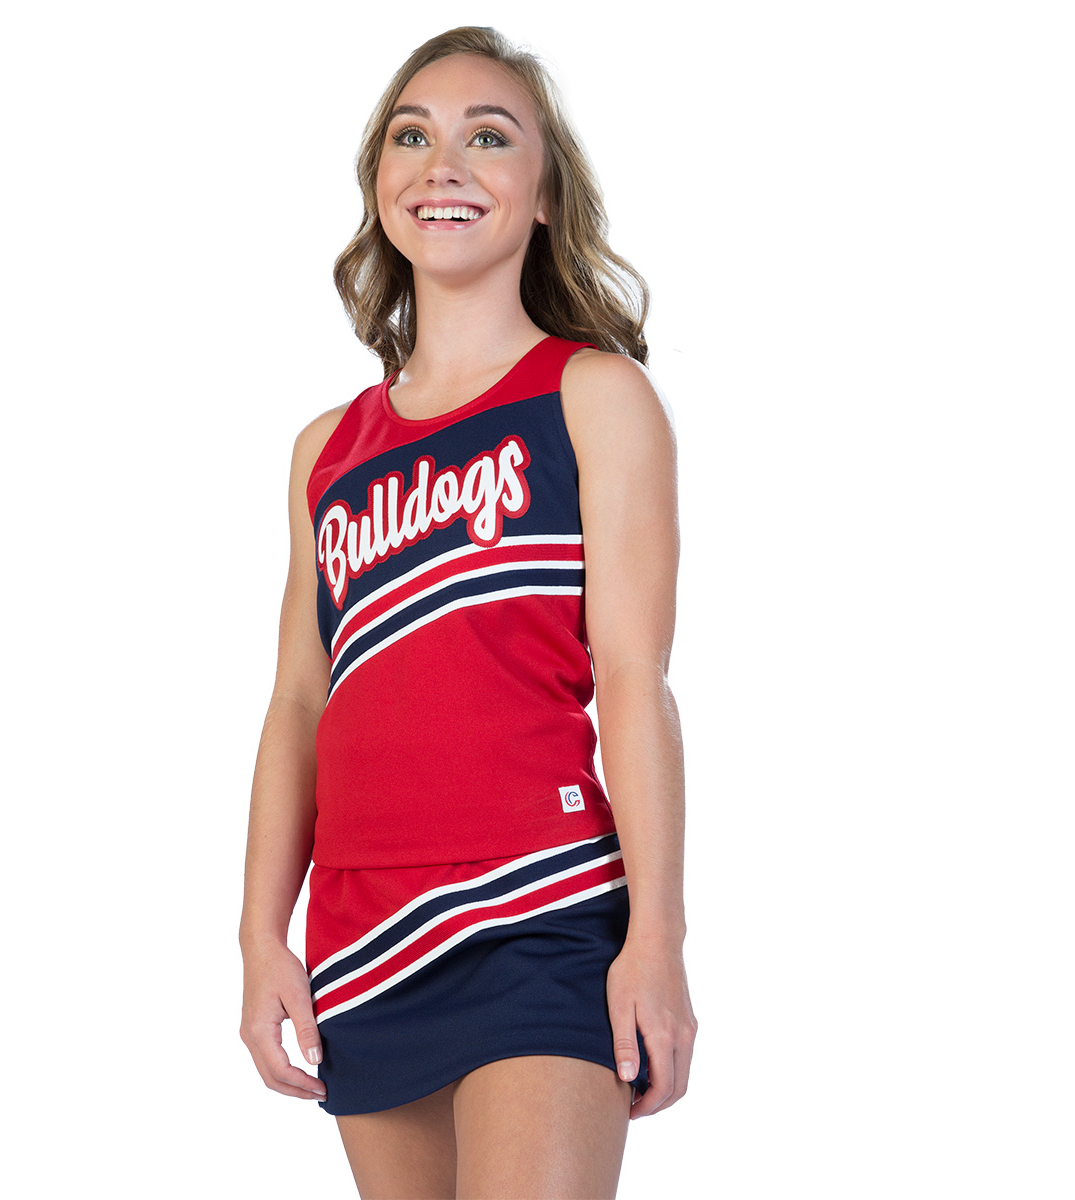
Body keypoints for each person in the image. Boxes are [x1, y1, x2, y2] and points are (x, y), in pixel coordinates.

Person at [239, 25, 695, 1199]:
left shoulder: (593, 396)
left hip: (541, 913)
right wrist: (259, 937)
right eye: (413, 136)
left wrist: (657, 936)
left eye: (488, 138)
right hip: (364, 935)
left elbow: (634, 677)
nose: (443, 164)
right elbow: (298, 704)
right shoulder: (325, 453)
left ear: (542, 198)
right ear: (380, 186)